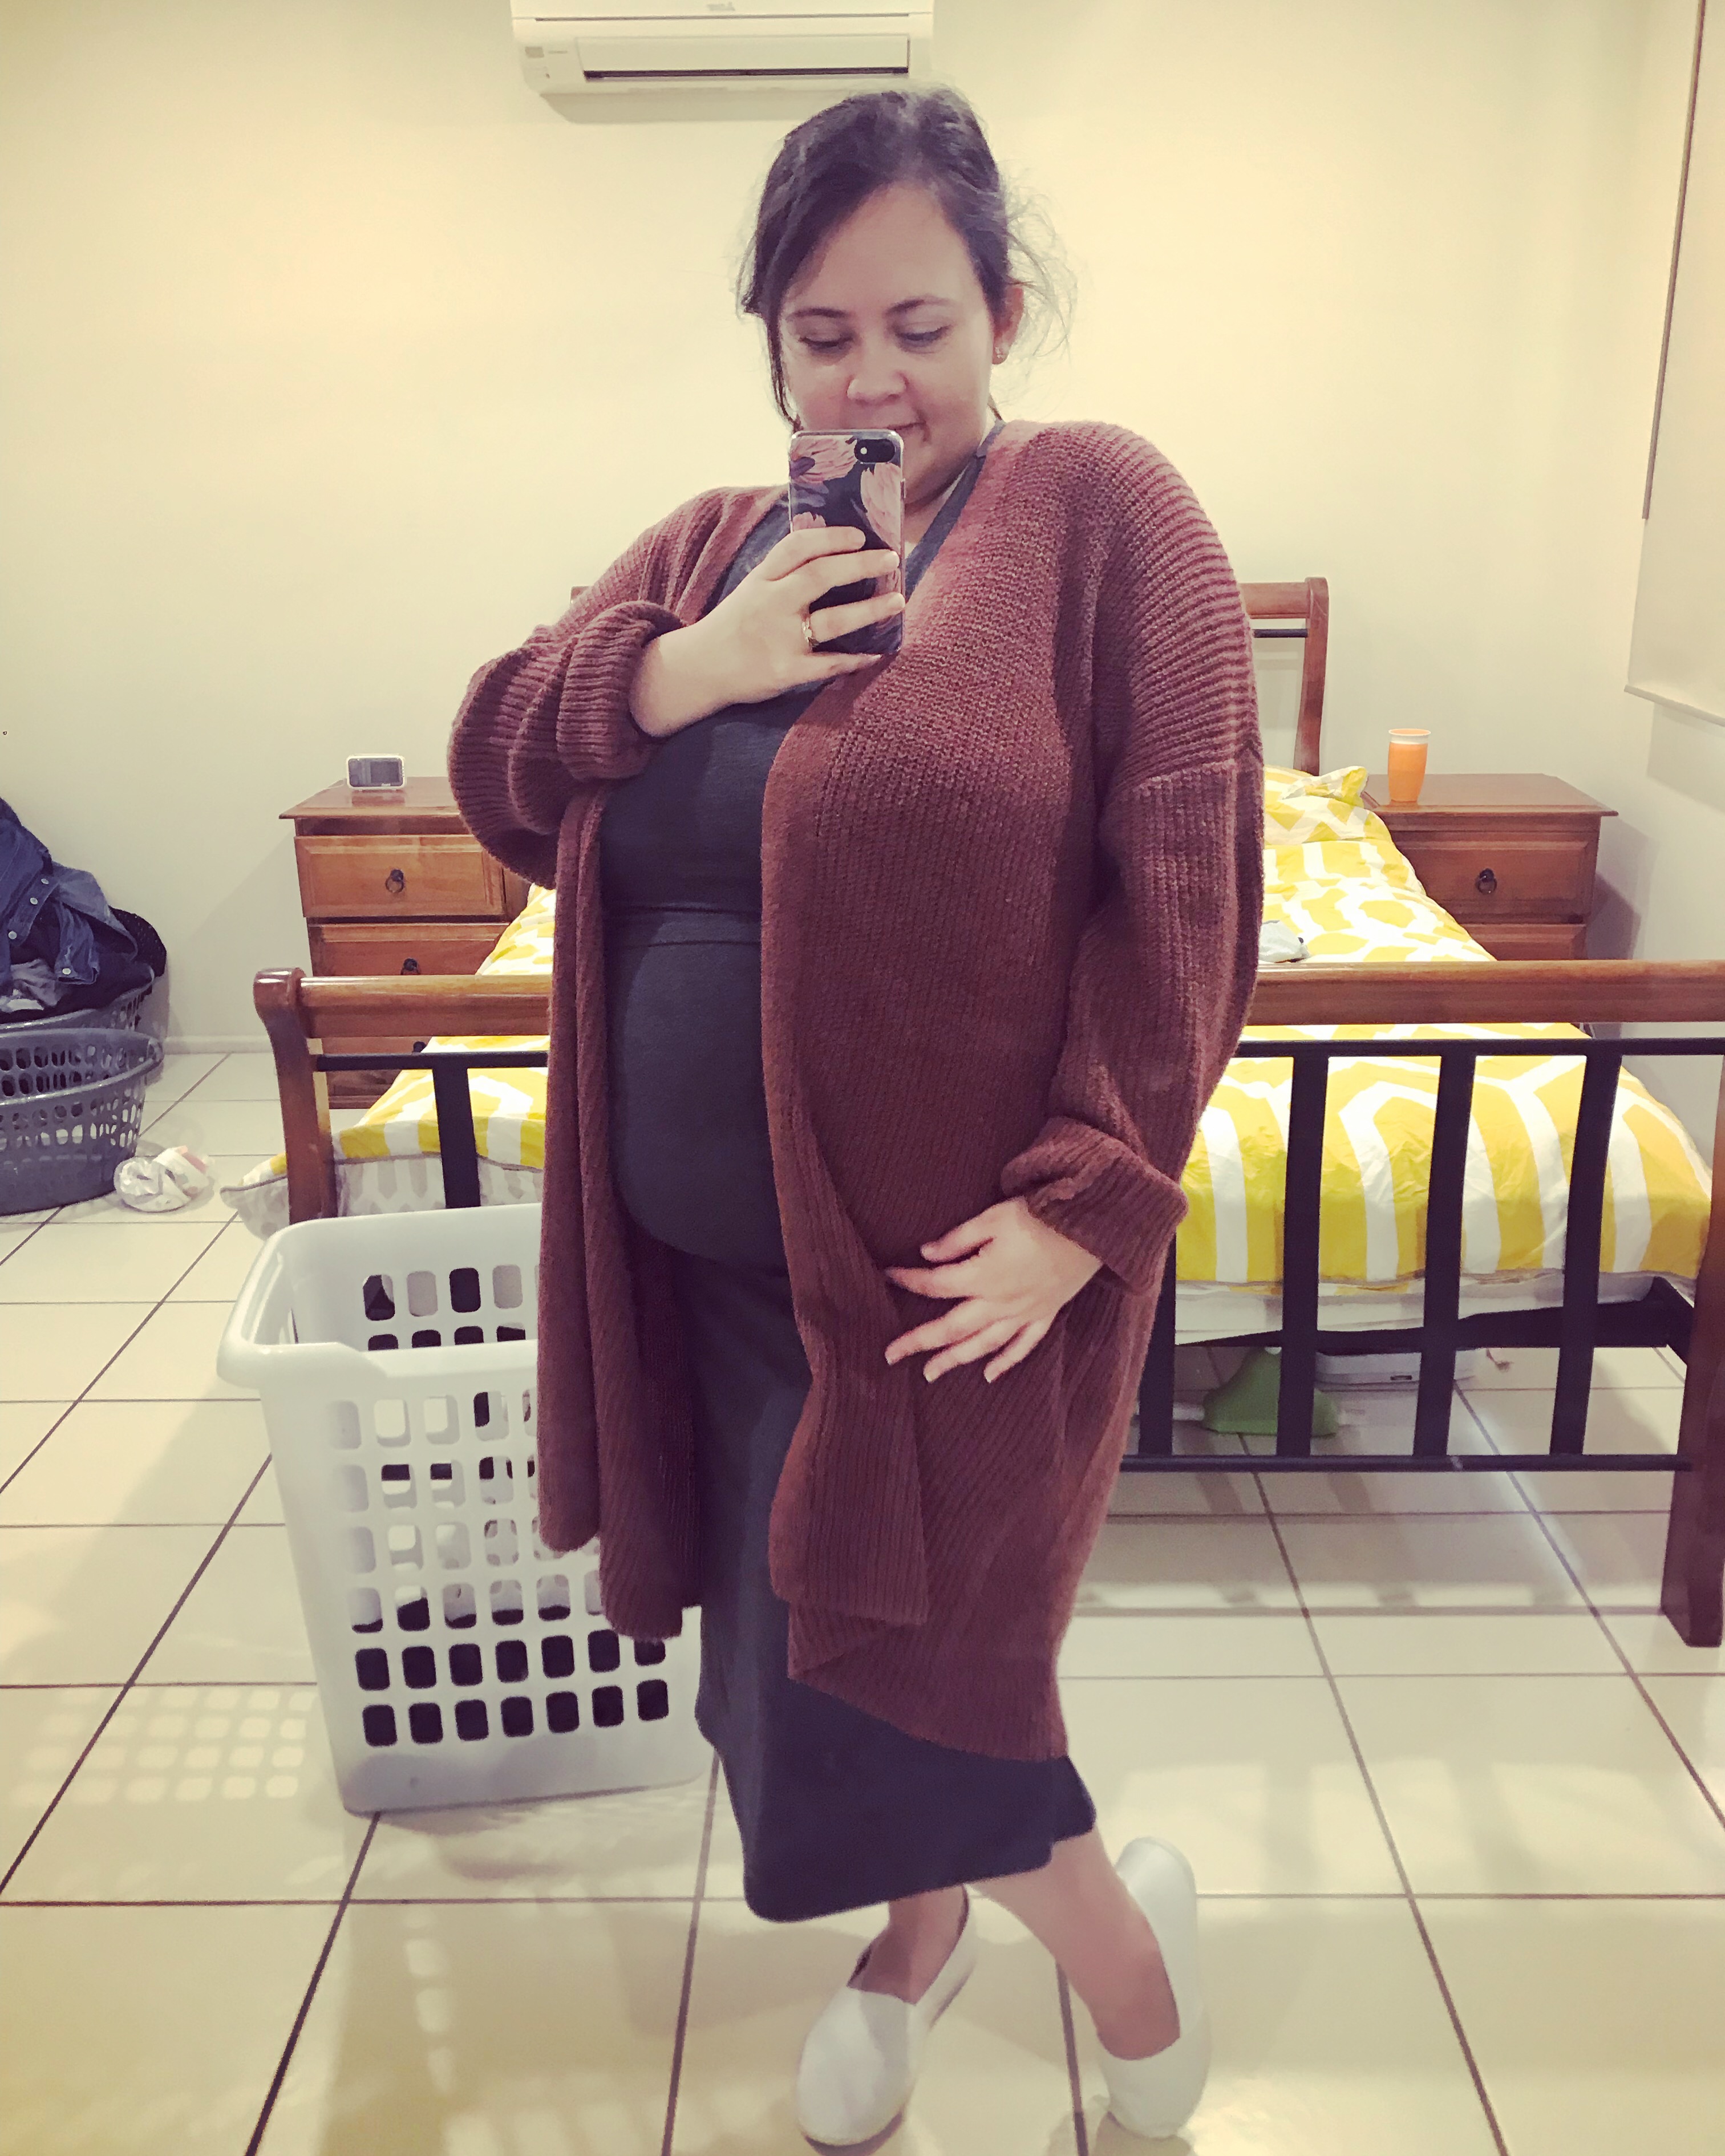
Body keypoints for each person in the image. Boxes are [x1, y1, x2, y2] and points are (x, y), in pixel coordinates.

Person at [448, 84, 1263, 2147]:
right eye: (821, 334)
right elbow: (499, 761)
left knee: (929, 1690)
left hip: (943, 1295)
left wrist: (1092, 1199)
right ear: (774, 345)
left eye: (918, 323)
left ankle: (1136, 1973)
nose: (870, 376)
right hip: (703, 1290)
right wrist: (683, 670)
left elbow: (1188, 884)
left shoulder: (1105, 516)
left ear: (1003, 314)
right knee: (793, 1682)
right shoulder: (707, 550)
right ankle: (918, 1944)